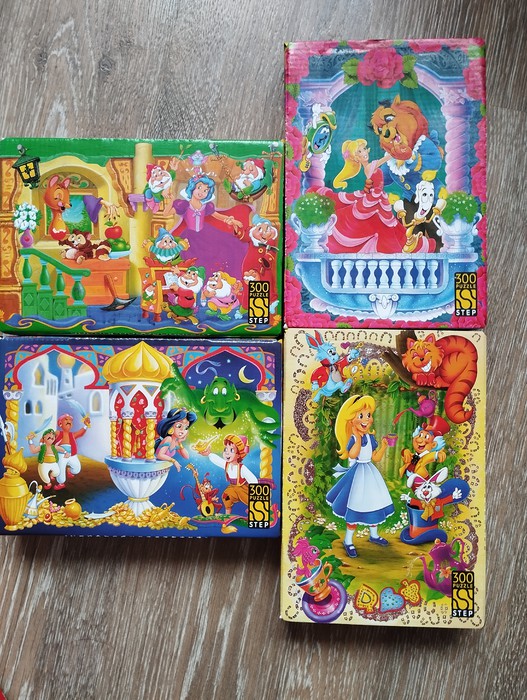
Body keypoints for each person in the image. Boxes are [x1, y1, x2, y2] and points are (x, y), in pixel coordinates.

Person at [326, 394, 394, 558]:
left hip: (370, 474)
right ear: (351, 420)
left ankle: (374, 535)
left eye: (368, 415)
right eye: (361, 415)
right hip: (357, 476)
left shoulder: (370, 438)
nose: (366, 419)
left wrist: (383, 447)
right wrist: (356, 437)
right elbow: (353, 454)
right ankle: (348, 541)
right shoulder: (353, 438)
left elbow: (375, 457)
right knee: (356, 505)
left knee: (374, 503)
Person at [317, 139, 407, 254]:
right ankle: (383, 247)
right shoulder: (369, 167)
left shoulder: (369, 166)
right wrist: (393, 153)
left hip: (378, 197)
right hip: (375, 198)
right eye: (359, 152)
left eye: (364, 149)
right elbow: (383, 160)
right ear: (356, 158)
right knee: (379, 223)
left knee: (383, 223)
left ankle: (382, 246)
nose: (364, 152)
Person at [169, 174, 252, 276]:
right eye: (199, 188)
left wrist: (232, 221)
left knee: (228, 246)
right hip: (190, 236)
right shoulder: (184, 205)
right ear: (192, 188)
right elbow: (166, 213)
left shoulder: (207, 206)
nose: (202, 192)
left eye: (206, 190)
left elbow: (218, 216)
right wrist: (170, 201)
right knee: (195, 258)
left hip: (205, 233)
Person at [197, 434, 257, 514]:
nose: (227, 453)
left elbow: (253, 479)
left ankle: (255, 508)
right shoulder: (227, 465)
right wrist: (209, 454)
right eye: (226, 449)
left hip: (242, 489)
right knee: (226, 497)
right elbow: (218, 461)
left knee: (247, 499)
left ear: (239, 455)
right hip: (232, 488)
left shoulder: (242, 468)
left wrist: (255, 490)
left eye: (231, 450)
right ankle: (227, 514)